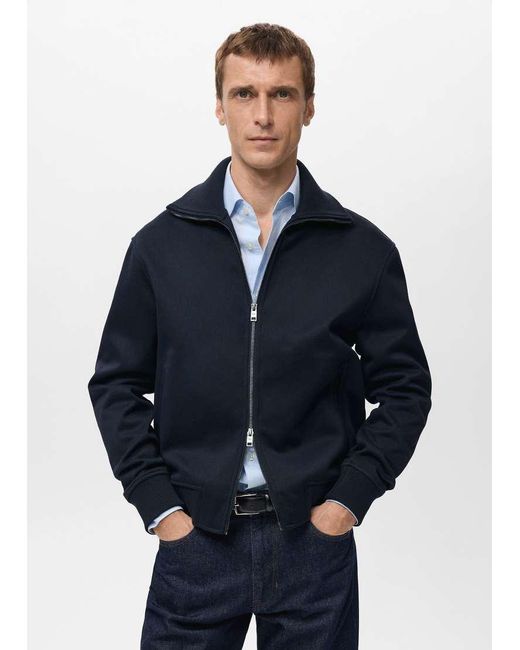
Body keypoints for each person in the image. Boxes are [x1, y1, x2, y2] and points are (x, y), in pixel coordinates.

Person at [87, 22, 432, 649]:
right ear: (220, 106)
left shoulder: (362, 251)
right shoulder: (160, 247)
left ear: (309, 106)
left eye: (282, 94)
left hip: (312, 547)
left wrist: (346, 503)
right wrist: (160, 507)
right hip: (196, 543)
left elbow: (406, 388)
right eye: (244, 93)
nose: (263, 115)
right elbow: (115, 384)